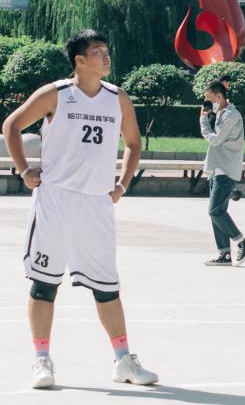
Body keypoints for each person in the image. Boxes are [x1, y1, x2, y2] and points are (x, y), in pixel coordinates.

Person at [0, 30, 159, 389]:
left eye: (106, 50)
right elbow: (11, 126)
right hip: (55, 201)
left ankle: (123, 360)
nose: (106, 56)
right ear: (80, 60)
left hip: (96, 205)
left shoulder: (117, 98)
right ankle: (42, 360)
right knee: (44, 284)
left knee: (107, 286)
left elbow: (133, 144)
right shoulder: (56, 94)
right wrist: (24, 170)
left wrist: (122, 184)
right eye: (98, 52)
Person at [200, 79, 245, 266]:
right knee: (218, 212)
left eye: (208, 98)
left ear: (218, 97)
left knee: (215, 211)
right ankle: (224, 254)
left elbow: (215, 140)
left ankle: (243, 242)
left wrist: (203, 121)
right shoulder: (221, 113)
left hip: (226, 168)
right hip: (217, 168)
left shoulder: (231, 115)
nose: (206, 102)